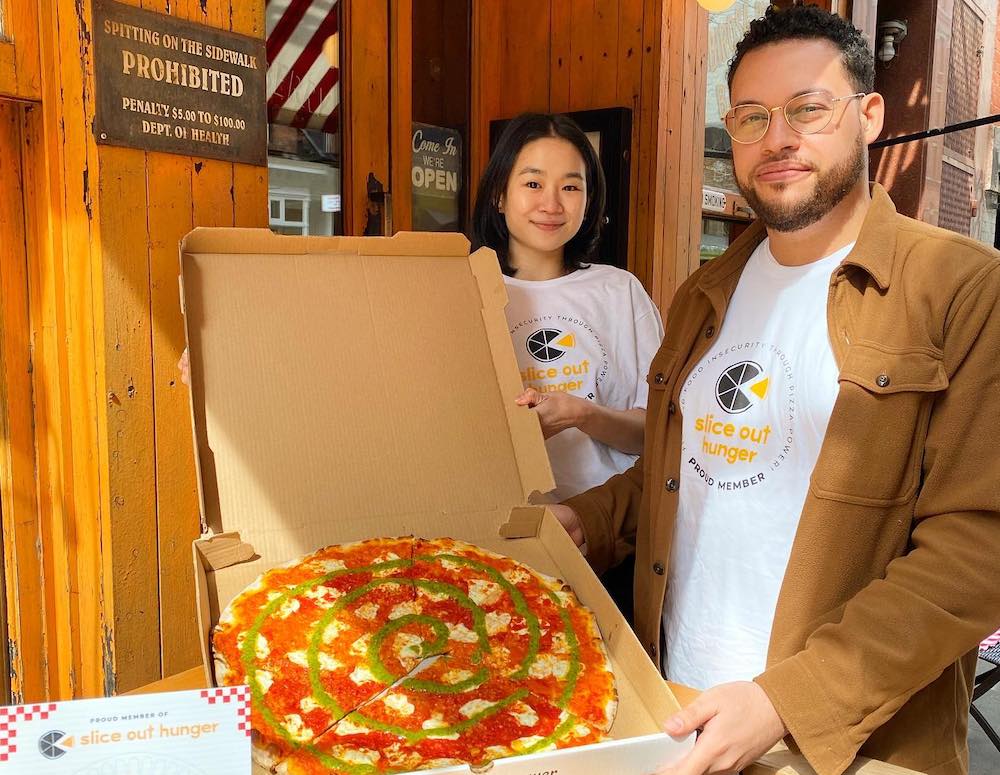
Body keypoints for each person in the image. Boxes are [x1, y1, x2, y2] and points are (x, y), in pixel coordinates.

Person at [550, 7, 1000, 775]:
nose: (777, 138)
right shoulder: (702, 292)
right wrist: (582, 519)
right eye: (752, 117)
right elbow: (681, 475)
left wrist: (788, 698)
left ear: (869, 116)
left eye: (808, 108)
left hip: (846, 744)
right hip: (679, 708)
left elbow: (977, 548)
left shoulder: (962, 289)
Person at [472, 113, 663, 510]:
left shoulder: (619, 291)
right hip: (492, 521)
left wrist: (582, 414)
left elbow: (654, 434)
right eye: (533, 183)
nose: (552, 203)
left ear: (589, 199)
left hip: (602, 525)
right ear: (499, 194)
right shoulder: (463, 290)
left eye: (571, 186)